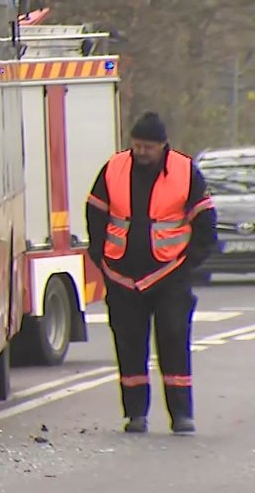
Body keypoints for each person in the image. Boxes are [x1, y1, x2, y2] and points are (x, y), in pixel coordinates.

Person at [85, 111, 217, 434]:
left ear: (163, 146)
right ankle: (135, 415)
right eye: (137, 145)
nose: (141, 152)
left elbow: (205, 219)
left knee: (173, 338)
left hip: (170, 274)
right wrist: (100, 256)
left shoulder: (185, 172)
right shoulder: (114, 169)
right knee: (129, 346)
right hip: (121, 275)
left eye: (148, 147)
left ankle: (181, 415)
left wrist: (190, 262)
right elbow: (95, 212)